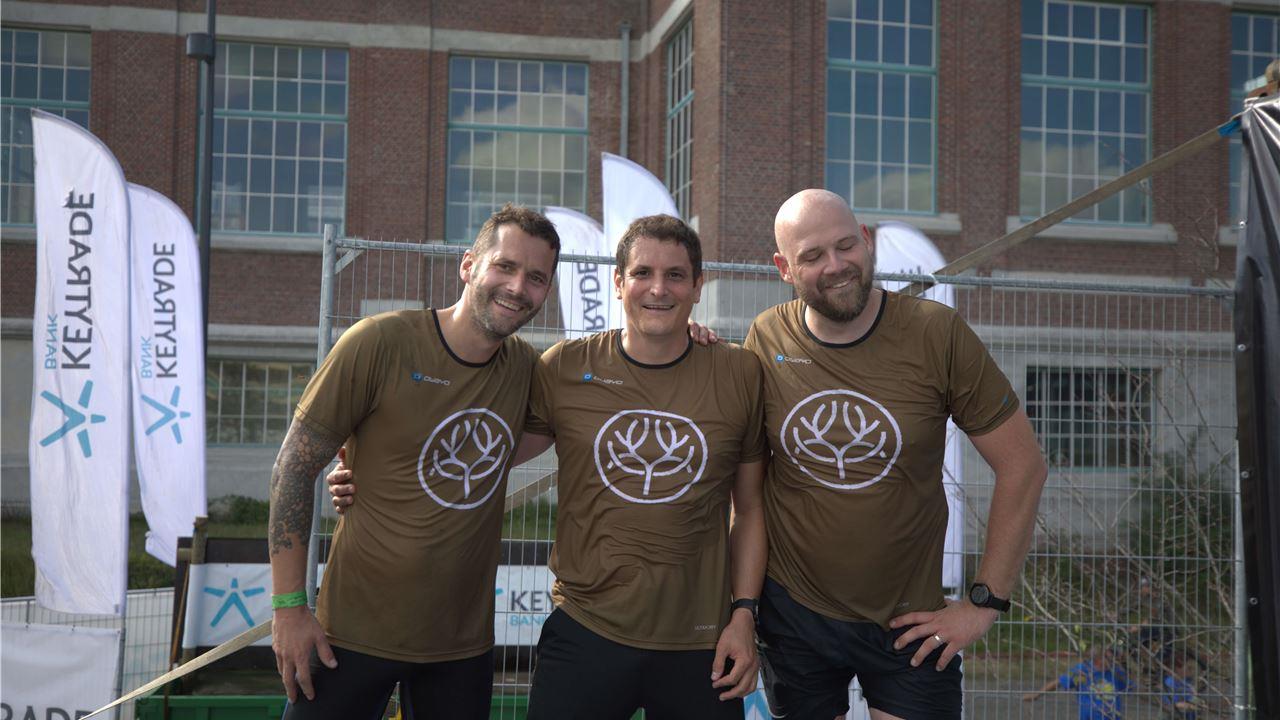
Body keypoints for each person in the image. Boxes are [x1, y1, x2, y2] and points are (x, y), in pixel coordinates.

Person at [330, 215, 766, 718]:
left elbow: (750, 509)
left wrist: (744, 616)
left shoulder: (739, 372)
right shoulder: (564, 368)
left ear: (698, 286)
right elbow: (480, 452)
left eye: (675, 276)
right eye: (642, 273)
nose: (658, 289)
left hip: (700, 642)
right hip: (586, 632)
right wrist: (367, 469)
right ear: (618, 282)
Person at [744, 189, 1048, 720]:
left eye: (845, 245)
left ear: (866, 241)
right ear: (784, 268)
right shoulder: (767, 336)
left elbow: (1023, 465)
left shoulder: (935, 333)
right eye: (812, 256)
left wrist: (984, 603)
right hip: (795, 614)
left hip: (911, 622)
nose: (835, 265)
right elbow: (744, 485)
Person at [267, 204, 561, 719]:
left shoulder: (526, 371)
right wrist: (289, 608)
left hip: (460, 649)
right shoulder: (379, 342)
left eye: (536, 277)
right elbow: (293, 467)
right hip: (350, 636)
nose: (518, 287)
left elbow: (521, 440)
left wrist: (688, 337)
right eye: (505, 266)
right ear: (468, 265)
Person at [1022, 647, 1129, 719]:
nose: (1112, 661)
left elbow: (1132, 687)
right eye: (1108, 658)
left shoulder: (1116, 672)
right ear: (1097, 659)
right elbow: (1059, 681)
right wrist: (1037, 694)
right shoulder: (1084, 671)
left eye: (1113, 658)